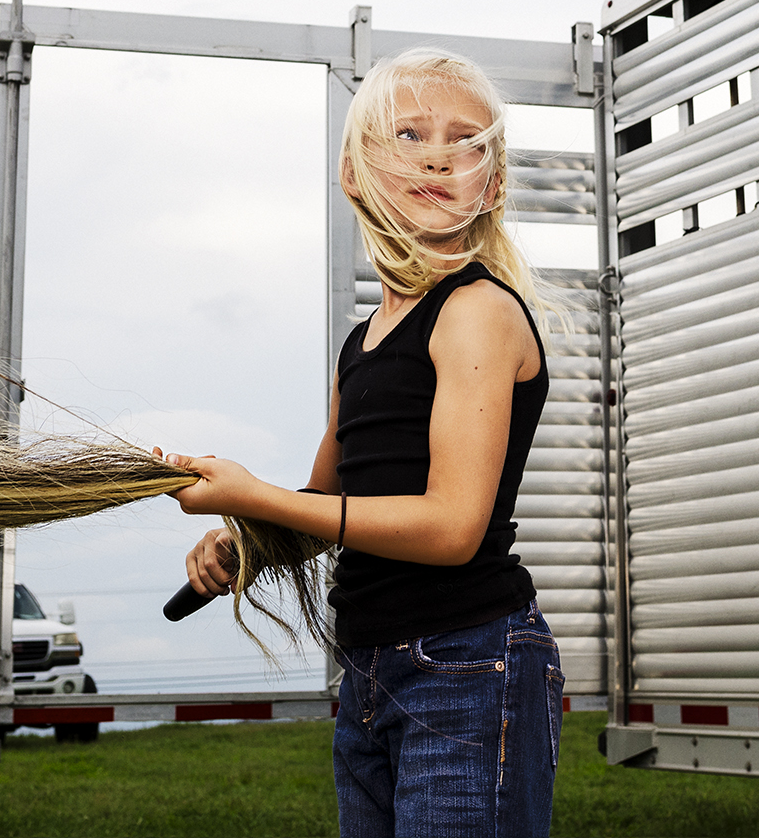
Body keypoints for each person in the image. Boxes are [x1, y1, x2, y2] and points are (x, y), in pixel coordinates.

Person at [162, 47, 558, 838]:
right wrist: (247, 542)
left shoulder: (476, 312)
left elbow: (452, 527)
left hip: (469, 663)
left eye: (466, 140)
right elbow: (324, 508)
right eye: (409, 133)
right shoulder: (363, 343)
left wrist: (251, 494)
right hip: (373, 670)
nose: (440, 153)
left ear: (496, 181)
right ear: (353, 171)